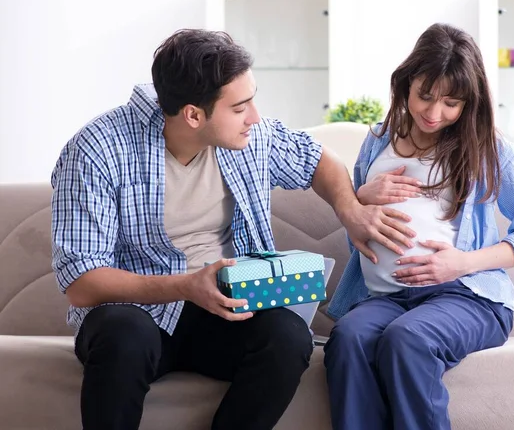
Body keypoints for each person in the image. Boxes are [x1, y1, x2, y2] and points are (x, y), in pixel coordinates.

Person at [51, 29, 414, 430]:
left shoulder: (253, 137)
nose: (254, 117)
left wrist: (350, 210)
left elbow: (319, 161)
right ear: (193, 114)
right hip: (137, 314)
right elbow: (82, 281)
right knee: (124, 335)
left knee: (288, 337)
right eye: (240, 107)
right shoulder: (97, 149)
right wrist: (186, 286)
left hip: (225, 310)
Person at [324, 23, 514, 430]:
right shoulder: (378, 138)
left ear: (469, 102)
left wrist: (463, 263)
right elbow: (356, 222)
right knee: (348, 339)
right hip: (385, 297)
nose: (434, 114)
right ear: (406, 83)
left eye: (451, 102)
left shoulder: (490, 148)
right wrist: (361, 195)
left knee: (408, 340)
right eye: (425, 96)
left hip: (466, 297)